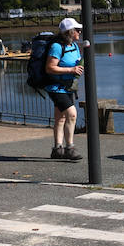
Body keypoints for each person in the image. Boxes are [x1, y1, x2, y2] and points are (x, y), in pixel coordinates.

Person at [46, 16, 85, 161]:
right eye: (77, 30)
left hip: (68, 87)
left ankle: (57, 149)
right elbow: (50, 68)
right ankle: (70, 148)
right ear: (70, 32)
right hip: (56, 87)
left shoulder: (74, 46)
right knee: (72, 114)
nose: (80, 32)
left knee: (60, 117)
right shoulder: (57, 46)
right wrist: (71, 70)